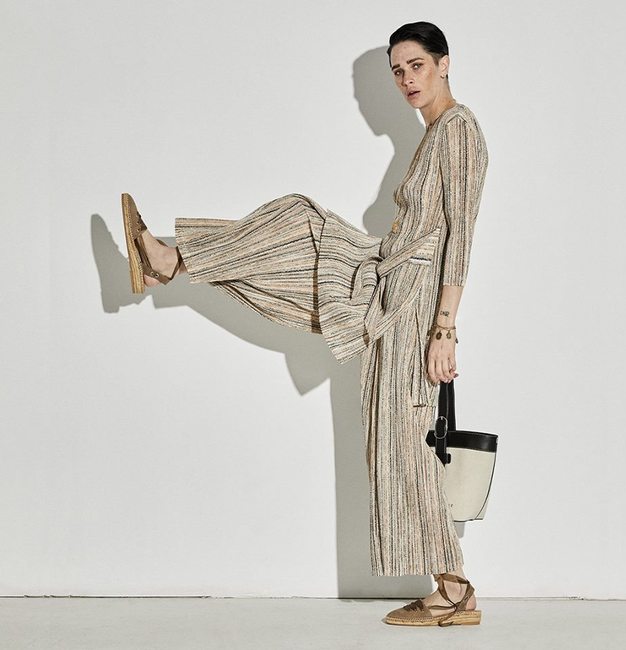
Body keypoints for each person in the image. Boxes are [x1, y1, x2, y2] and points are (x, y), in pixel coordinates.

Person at [121, 21, 488, 627]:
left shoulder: (460, 130)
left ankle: (454, 590)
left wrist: (444, 329)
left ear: (444, 63)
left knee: (407, 441)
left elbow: (460, 236)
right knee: (300, 226)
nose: (406, 80)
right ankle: (174, 262)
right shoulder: (433, 137)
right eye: (397, 71)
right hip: (386, 280)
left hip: (413, 305)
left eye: (416, 66)